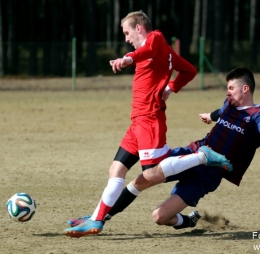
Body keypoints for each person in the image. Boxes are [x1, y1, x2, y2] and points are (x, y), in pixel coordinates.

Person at [66, 66, 259, 233]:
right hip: (193, 152)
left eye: (231, 88)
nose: (227, 92)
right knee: (145, 178)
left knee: (159, 217)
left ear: (245, 88)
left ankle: (188, 220)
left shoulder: (256, 115)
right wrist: (210, 115)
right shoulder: (229, 104)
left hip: (209, 175)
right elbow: (221, 112)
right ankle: (98, 217)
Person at [64, 10, 197, 237]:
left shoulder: (155, 38)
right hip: (137, 123)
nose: (126, 38)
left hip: (150, 120)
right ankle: (96, 219)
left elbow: (149, 49)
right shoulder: (164, 53)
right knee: (116, 169)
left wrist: (128, 58)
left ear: (139, 28)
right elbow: (190, 70)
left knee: (152, 174)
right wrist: (169, 88)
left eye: (127, 32)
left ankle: (200, 159)